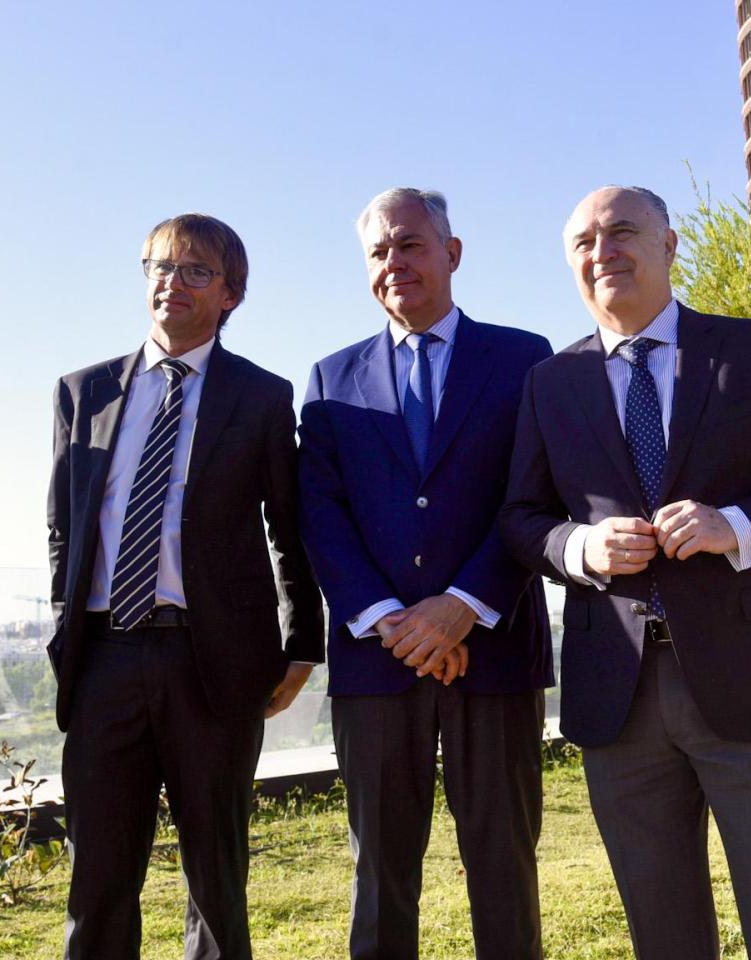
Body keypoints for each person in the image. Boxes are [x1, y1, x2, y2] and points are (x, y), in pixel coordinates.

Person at [501, 185, 751, 960]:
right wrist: (580, 548)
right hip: (616, 690)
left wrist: (736, 526)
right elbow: (521, 520)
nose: (603, 252)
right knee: (660, 927)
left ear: (668, 244)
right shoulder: (549, 382)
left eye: (622, 232)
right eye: (584, 242)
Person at [48, 213, 324, 959]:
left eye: (196, 271)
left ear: (230, 294)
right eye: (161, 267)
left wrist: (302, 643)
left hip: (214, 663)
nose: (173, 283)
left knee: (215, 872)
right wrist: (64, 638)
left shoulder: (261, 396)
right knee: (98, 875)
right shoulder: (83, 391)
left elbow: (289, 529)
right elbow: (63, 529)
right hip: (103, 660)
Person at [298, 187, 555, 960]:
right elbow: (321, 516)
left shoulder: (524, 359)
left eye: (409, 244)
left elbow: (535, 494)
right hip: (375, 663)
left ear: (452, 252)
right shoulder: (330, 378)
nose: (394, 262)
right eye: (378, 251)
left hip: (494, 651)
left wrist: (463, 606)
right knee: (380, 877)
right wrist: (391, 621)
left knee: (504, 865)